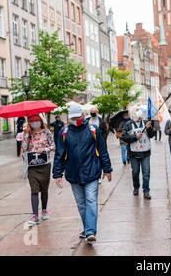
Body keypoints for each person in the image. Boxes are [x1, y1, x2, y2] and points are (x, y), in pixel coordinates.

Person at [53, 104, 113, 245]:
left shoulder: (93, 130)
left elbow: (102, 150)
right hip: (73, 174)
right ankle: (87, 228)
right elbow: (59, 154)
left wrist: (107, 169)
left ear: (82, 115)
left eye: (77, 117)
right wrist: (57, 173)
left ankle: (90, 231)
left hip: (91, 171)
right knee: (81, 204)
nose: (75, 120)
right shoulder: (64, 132)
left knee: (91, 200)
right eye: (72, 118)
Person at [22, 115, 55, 227]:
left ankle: (44, 210)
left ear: (40, 121)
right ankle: (35, 215)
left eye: (36, 121)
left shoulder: (47, 132)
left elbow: (53, 146)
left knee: (44, 189)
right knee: (34, 190)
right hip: (32, 166)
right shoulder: (28, 133)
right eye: (32, 121)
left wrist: (44, 149)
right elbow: (24, 148)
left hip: (44, 165)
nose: (34, 123)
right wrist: (26, 134)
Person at [122, 105, 156, 199]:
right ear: (132, 113)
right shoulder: (128, 124)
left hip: (145, 153)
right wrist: (134, 137)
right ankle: (136, 187)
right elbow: (124, 137)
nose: (138, 112)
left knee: (146, 172)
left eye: (138, 110)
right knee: (135, 172)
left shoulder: (146, 122)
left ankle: (146, 191)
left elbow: (152, 134)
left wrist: (149, 128)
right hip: (134, 154)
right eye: (136, 110)